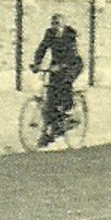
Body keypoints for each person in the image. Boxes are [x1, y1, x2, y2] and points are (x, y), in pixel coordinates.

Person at [30, 13, 84, 147]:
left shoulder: (70, 35)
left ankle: (70, 111)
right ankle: (50, 132)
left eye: (58, 24)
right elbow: (42, 48)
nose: (55, 27)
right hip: (56, 66)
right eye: (53, 24)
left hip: (73, 64)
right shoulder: (49, 34)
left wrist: (61, 66)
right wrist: (36, 64)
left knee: (65, 83)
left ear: (63, 25)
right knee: (50, 96)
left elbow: (73, 54)